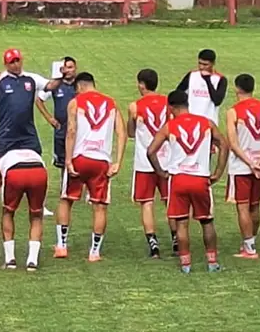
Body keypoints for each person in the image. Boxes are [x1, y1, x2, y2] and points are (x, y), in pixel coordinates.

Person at [0, 48, 56, 251]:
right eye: (12, 62)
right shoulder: (0, 81)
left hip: (28, 136)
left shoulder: (31, 79)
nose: (16, 65)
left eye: (18, 61)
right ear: (6, 64)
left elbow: (50, 85)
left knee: (37, 169)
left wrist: (62, 77)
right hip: (5, 138)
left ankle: (39, 203)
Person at [147, 89, 229, 274]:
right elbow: (224, 145)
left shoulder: (169, 126)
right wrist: (217, 172)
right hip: (200, 178)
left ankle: (186, 264)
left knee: (182, 223)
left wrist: (161, 172)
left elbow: (151, 150)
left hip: (178, 179)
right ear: (187, 104)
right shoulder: (206, 123)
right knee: (207, 221)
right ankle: (212, 262)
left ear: (170, 107)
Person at [55, 73, 126, 262]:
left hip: (80, 157)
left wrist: (68, 160)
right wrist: (117, 161)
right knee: (100, 206)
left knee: (66, 199)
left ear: (79, 87)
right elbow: (122, 133)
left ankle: (61, 246)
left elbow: (71, 131)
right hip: (101, 161)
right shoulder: (111, 103)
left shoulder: (75, 102)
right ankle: (94, 251)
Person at [225, 74, 260, 260]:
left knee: (243, 207)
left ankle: (249, 248)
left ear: (237, 88)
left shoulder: (233, 111)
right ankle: (250, 241)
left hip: (242, 167)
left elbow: (233, 142)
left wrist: (249, 162)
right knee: (255, 206)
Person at [128, 68, 172, 258]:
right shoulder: (168, 104)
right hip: (167, 159)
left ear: (141, 84)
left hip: (144, 161)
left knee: (147, 202)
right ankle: (177, 239)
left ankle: (153, 243)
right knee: (169, 201)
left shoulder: (135, 106)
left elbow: (130, 132)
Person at [0, 145, 49, 271]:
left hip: (14, 172)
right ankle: (32, 260)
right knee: (36, 214)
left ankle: (10, 259)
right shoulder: (33, 150)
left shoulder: (0, 158)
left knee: (8, 212)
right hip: (38, 170)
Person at [37, 56, 77, 216]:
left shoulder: (79, 86)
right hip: (61, 131)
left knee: (80, 159)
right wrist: (50, 119)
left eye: (71, 67)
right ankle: (64, 188)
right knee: (62, 162)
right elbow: (39, 100)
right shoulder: (55, 85)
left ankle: (85, 190)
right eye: (65, 67)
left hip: (77, 130)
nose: (68, 70)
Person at [176, 48, 227, 124]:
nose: (201, 67)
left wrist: (207, 80)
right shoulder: (192, 75)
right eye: (200, 63)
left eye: (205, 64)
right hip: (189, 121)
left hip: (209, 122)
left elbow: (217, 101)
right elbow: (178, 93)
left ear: (213, 63)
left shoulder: (220, 79)